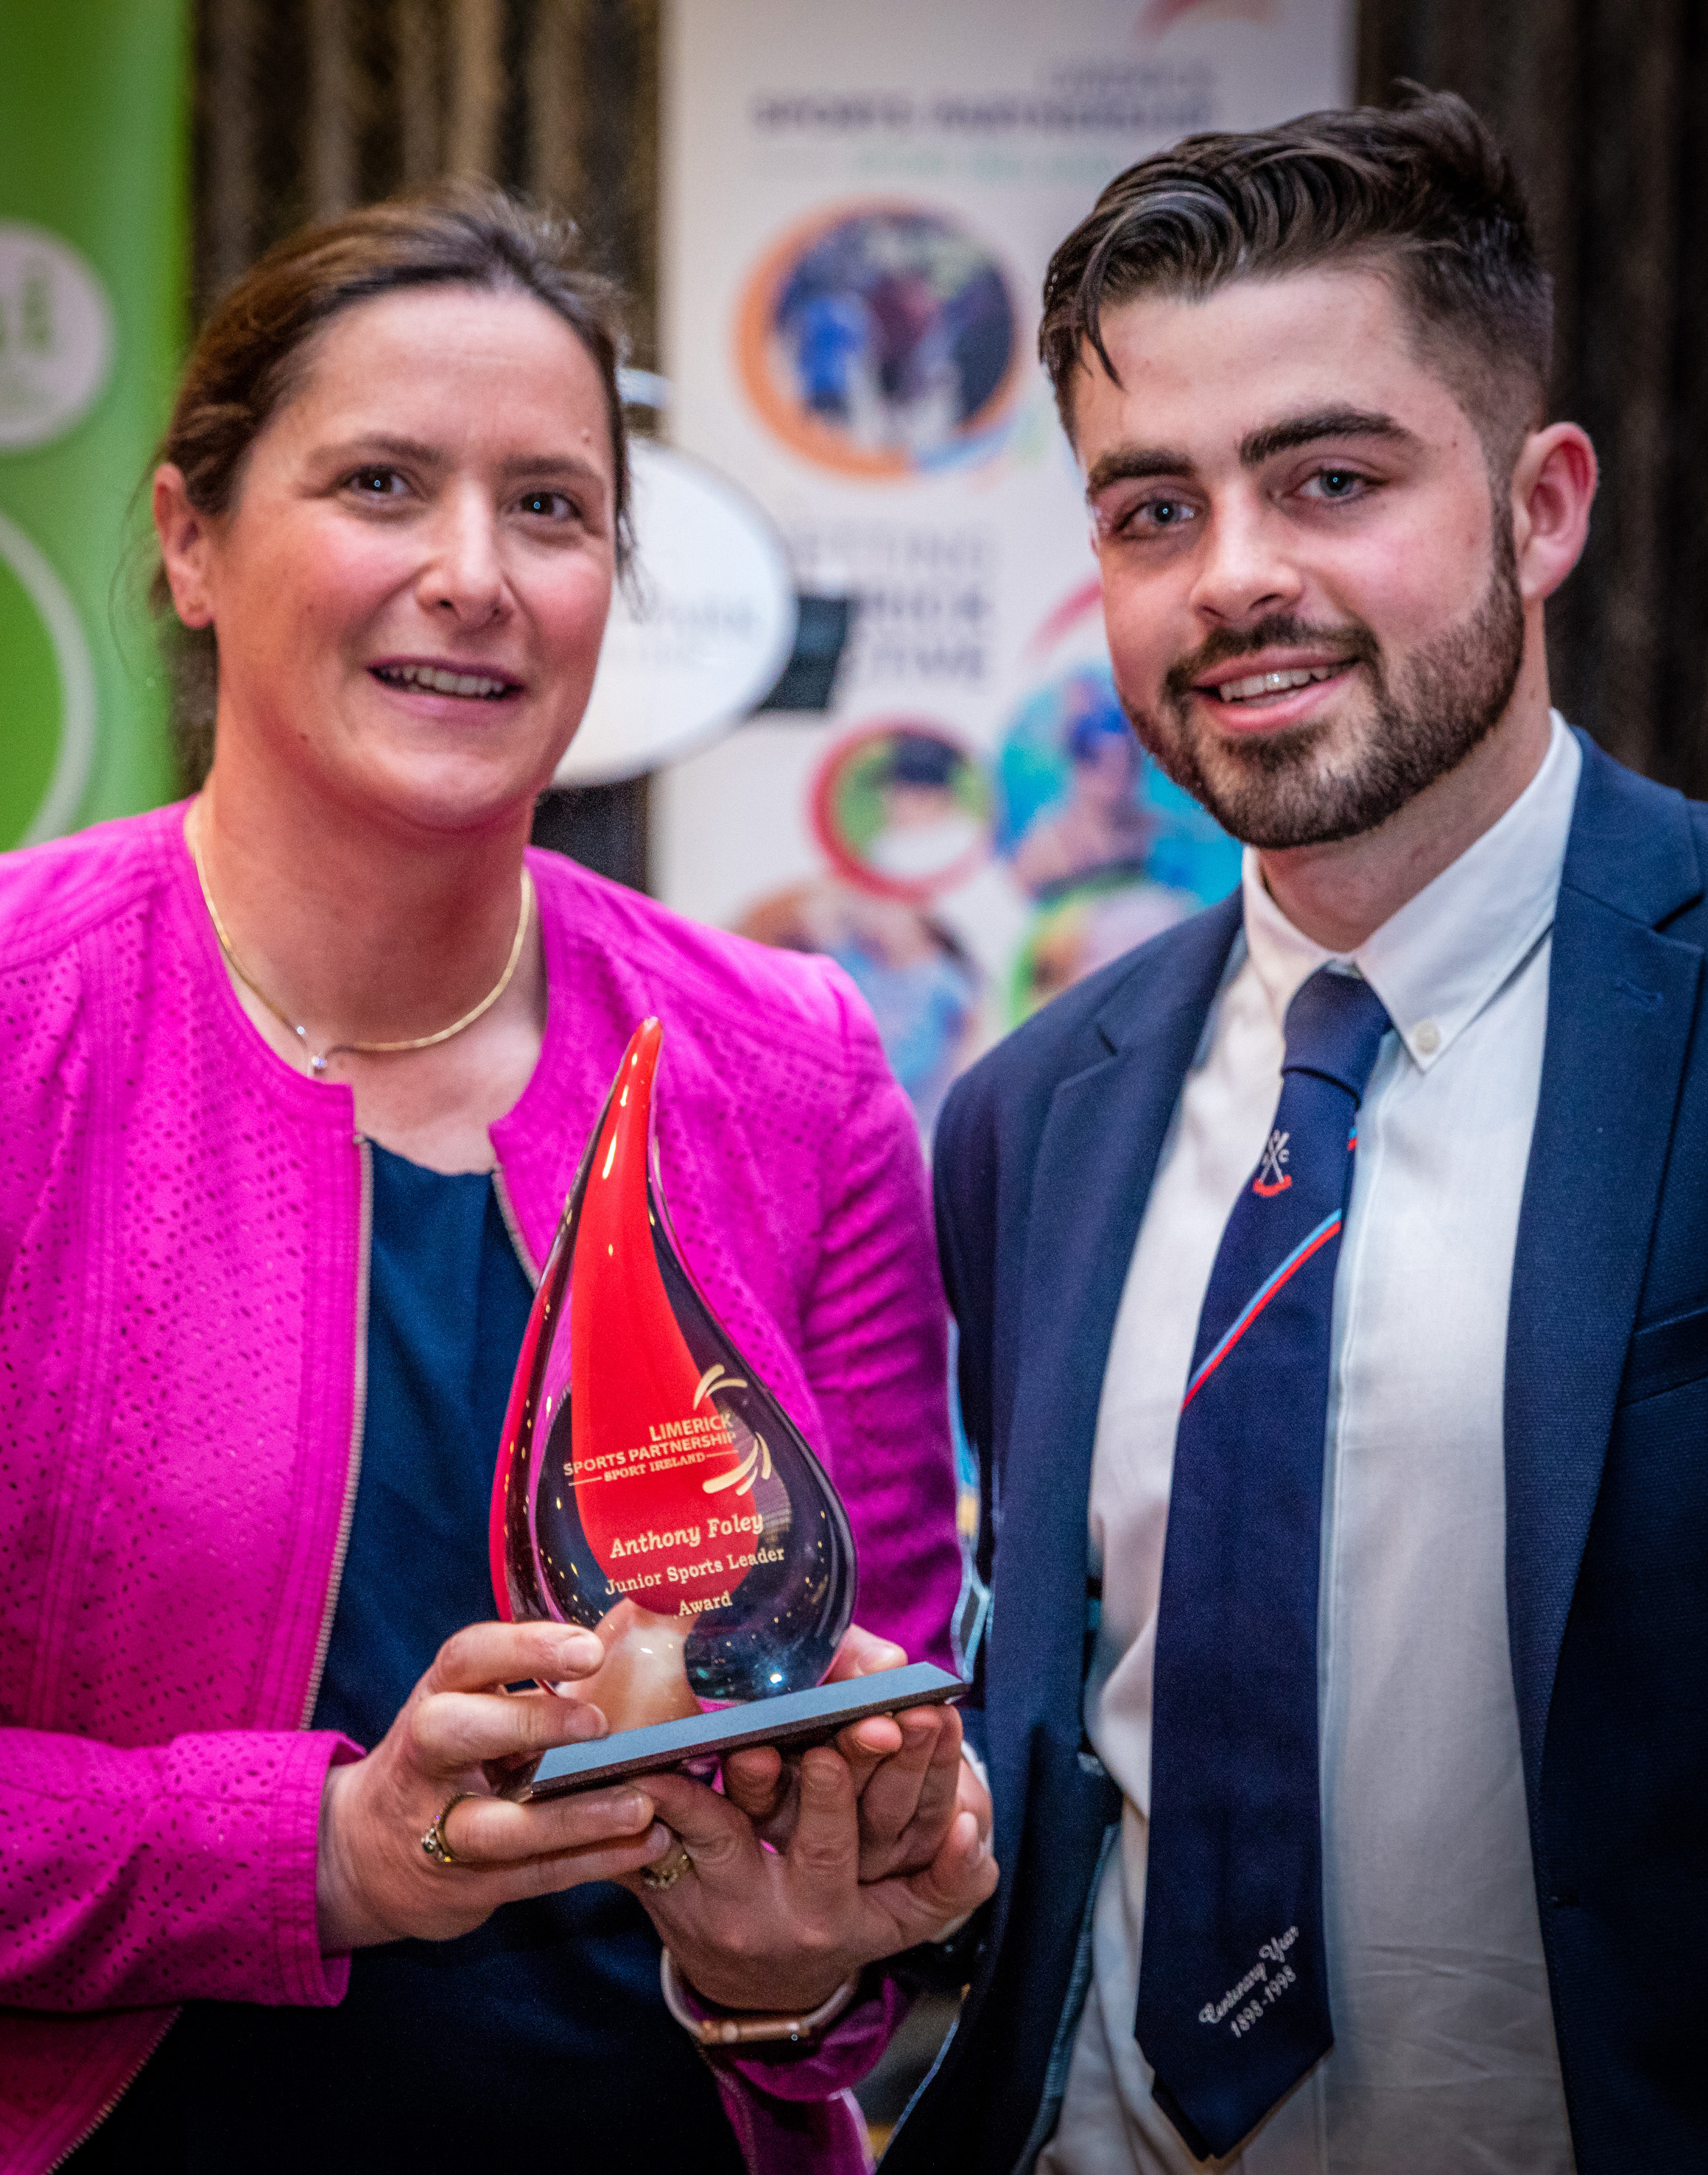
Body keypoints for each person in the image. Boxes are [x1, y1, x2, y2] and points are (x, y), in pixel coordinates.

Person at [0, 186, 994, 2175]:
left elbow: (892, 1781)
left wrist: (797, 1950)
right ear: (192, 544)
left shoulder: (794, 1071)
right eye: (382, 482)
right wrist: (322, 1850)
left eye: (550, 508)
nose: (473, 573)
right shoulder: (26, 1025)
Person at [888, 89, 1707, 2175]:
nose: (1235, 577)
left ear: (1542, 507)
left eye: (1329, 478)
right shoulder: (1023, 1124)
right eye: (1150, 509)